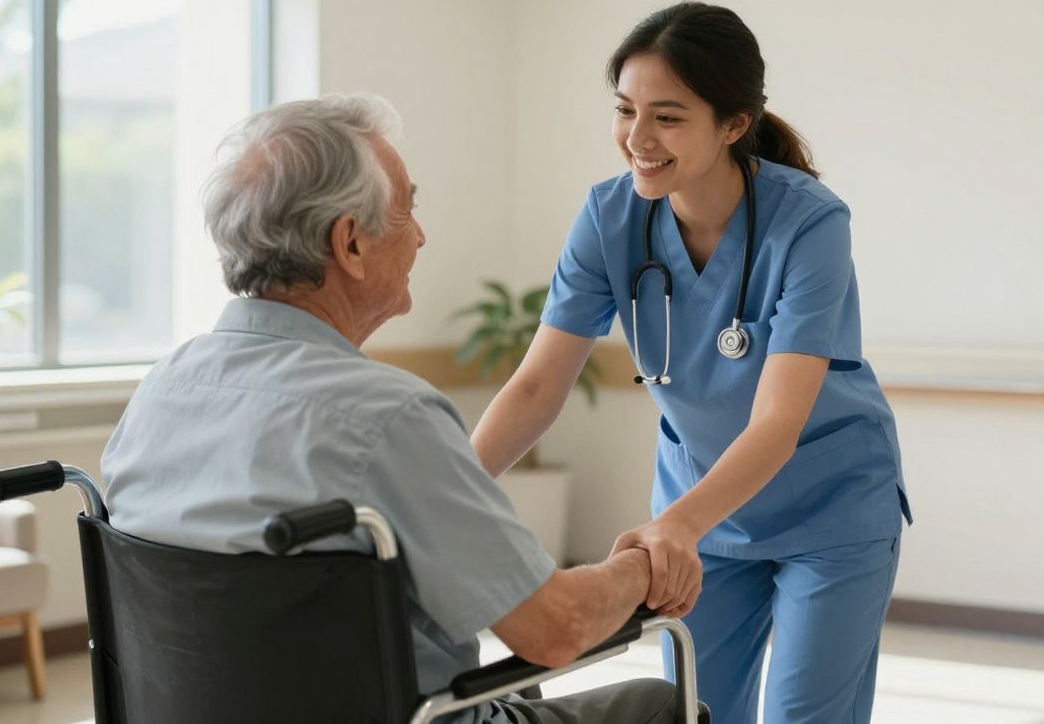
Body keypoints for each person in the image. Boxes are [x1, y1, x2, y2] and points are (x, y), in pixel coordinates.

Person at [101, 94, 686, 724]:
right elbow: (555, 629)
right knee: (660, 701)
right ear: (349, 243)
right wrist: (643, 565)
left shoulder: (162, 388)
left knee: (516, 686)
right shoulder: (384, 414)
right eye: (407, 208)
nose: (422, 234)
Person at [471, 2, 913, 724]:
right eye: (625, 111)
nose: (637, 139)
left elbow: (778, 420)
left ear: (734, 123)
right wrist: (443, 493)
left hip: (828, 506)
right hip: (703, 512)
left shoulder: (809, 223)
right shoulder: (609, 217)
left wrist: (676, 526)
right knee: (697, 712)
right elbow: (537, 385)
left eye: (668, 117)